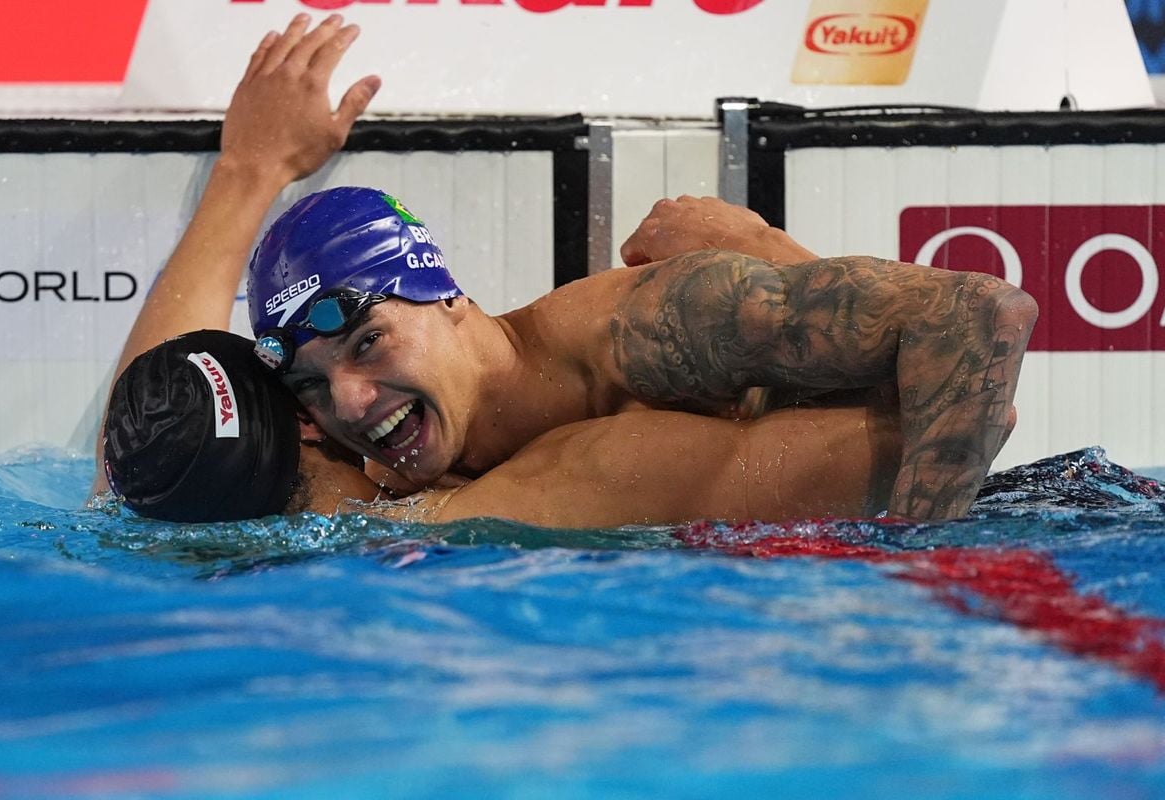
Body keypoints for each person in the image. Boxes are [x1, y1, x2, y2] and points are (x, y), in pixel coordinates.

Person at [241, 26, 1036, 522]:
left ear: (447, 296)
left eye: (370, 341)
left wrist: (923, 568)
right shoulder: (384, 465)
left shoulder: (649, 327)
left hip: (1016, 520)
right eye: (312, 385)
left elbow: (974, 317)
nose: (347, 401)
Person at [103, 329, 901, 527]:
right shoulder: (558, 485)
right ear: (310, 424)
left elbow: (157, 436)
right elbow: (906, 444)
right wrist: (765, 249)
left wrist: (248, 176)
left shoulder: (175, 515)